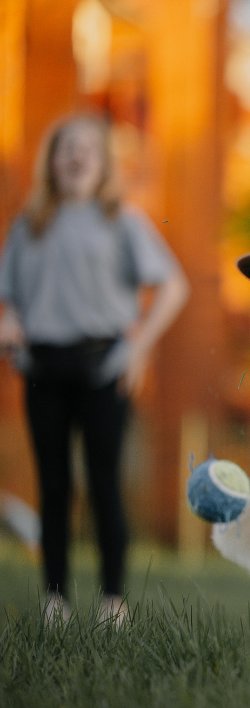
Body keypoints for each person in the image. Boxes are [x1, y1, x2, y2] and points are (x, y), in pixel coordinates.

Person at [0, 115, 189, 621]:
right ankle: (55, 600)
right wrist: (10, 319)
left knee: (105, 484)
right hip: (43, 368)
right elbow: (9, 295)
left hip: (105, 368)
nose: (76, 155)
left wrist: (140, 347)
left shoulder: (121, 220)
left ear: (104, 163)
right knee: (53, 486)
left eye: (87, 148)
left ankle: (112, 601)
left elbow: (173, 286)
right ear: (51, 162)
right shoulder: (29, 224)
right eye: (66, 147)